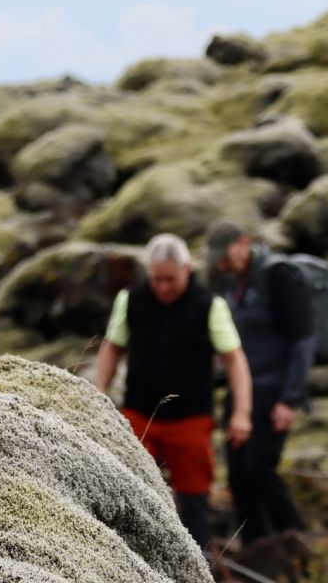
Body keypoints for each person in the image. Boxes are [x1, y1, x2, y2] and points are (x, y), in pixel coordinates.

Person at [95, 232, 252, 552]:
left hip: (191, 420)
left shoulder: (211, 306)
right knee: (130, 491)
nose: (163, 287)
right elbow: (112, 348)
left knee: (195, 500)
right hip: (138, 415)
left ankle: (199, 569)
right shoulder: (131, 300)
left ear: (187, 270)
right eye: (156, 279)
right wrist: (96, 394)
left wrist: (242, 413)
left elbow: (235, 360)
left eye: (170, 279)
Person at [205, 220, 315, 546]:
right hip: (240, 394)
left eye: (226, 256)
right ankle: (256, 549)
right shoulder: (231, 286)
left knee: (261, 472)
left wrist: (290, 399)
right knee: (238, 478)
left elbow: (303, 340)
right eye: (218, 260)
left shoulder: (276, 277)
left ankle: (300, 542)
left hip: (273, 392)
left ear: (244, 243)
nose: (222, 264)